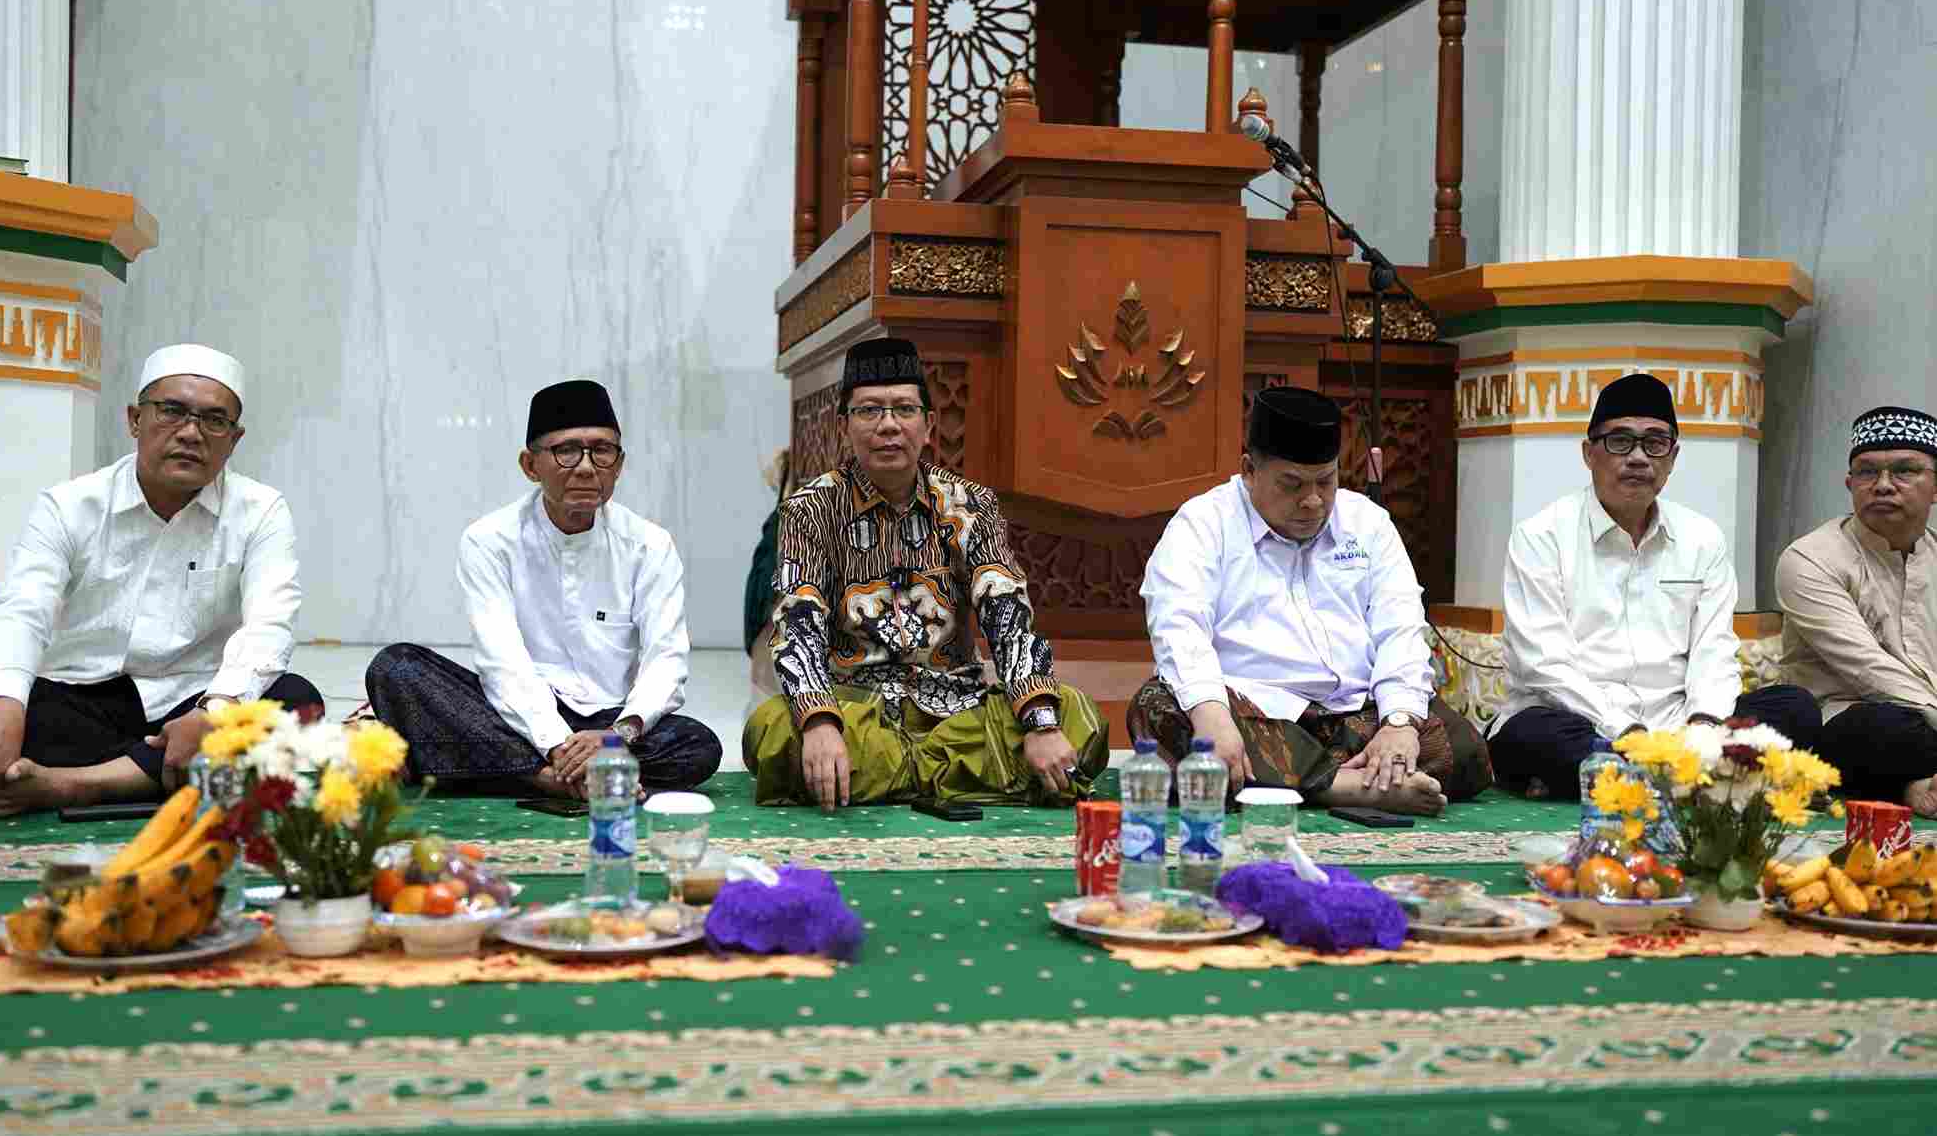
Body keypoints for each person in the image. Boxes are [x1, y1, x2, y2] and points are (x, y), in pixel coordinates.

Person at [0, 344, 321, 816]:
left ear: (234, 439)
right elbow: (21, 608)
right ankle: (165, 774)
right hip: (84, 697)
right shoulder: (70, 506)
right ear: (135, 420)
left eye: (214, 420)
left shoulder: (260, 511)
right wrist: (4, 711)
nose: (191, 432)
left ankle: (75, 785)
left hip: (196, 700)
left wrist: (216, 711)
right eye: (172, 411)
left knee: (296, 701)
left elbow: (270, 623)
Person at [742, 337, 1106, 809]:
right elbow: (798, 622)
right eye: (869, 410)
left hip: (957, 710)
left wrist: (1039, 723)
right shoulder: (809, 509)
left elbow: (1008, 616)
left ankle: (893, 776)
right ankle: (950, 775)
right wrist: (820, 721)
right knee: (769, 730)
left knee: (1077, 714)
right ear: (843, 426)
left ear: (929, 424)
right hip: (857, 715)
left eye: (904, 409)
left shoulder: (970, 505)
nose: (888, 425)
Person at [1129, 385, 1490, 817]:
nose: (1314, 501)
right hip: (1254, 713)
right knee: (1158, 709)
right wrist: (1212, 714)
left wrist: (1398, 724)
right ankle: (1348, 785)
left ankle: (1309, 780)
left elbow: (1401, 627)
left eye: (1326, 481)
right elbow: (1179, 627)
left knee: (1465, 746)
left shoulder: (1368, 523)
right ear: (1249, 470)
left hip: (1355, 715)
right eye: (1293, 484)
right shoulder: (1203, 523)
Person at [365, 379, 719, 799]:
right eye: (567, 451)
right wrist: (555, 744)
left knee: (697, 745)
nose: (586, 467)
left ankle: (514, 771)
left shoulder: (650, 545)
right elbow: (502, 662)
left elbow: (667, 656)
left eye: (602, 451)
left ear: (619, 465)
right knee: (397, 667)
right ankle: (555, 778)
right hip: (516, 714)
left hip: (606, 722)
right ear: (530, 466)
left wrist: (615, 737)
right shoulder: (490, 540)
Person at [1489, 373, 1818, 798]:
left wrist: (1703, 726)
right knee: (1529, 735)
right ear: (1589, 453)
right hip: (1585, 723)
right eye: (1620, 441)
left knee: (1795, 707)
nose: (1639, 458)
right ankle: (1692, 780)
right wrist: (1629, 733)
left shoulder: (1702, 538)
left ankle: (1636, 779)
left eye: (1655, 443)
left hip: (1680, 728)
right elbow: (1545, 663)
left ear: (1673, 456)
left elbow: (1713, 649)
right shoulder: (1541, 536)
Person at [1777, 406, 1937, 817]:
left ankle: (1915, 785)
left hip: (1924, 725)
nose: (1883, 486)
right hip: (1850, 718)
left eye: (1904, 471)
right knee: (1882, 730)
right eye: (1867, 472)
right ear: (1850, 484)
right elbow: (1868, 670)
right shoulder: (1810, 559)